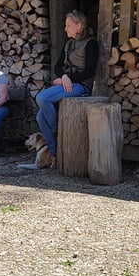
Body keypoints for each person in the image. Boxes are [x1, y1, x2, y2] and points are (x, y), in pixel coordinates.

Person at [35, 10, 98, 163]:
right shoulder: (68, 44)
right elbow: (57, 67)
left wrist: (68, 78)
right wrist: (63, 77)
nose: (65, 28)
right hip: (68, 82)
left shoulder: (91, 44)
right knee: (40, 117)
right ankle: (56, 155)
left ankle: (56, 129)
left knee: (42, 98)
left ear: (79, 26)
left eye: (68, 25)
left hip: (81, 85)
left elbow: (89, 71)